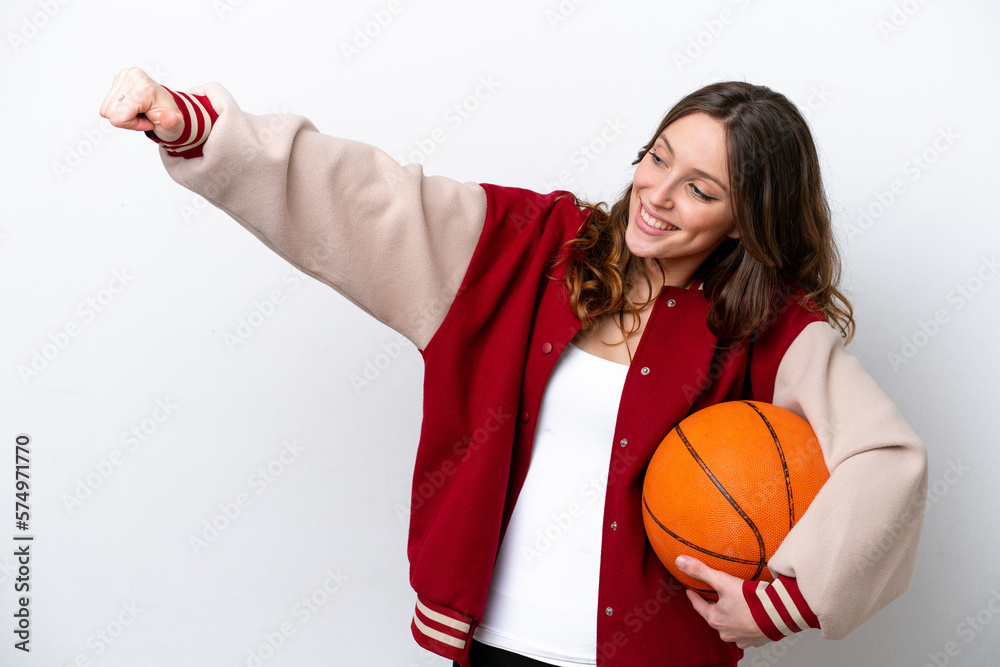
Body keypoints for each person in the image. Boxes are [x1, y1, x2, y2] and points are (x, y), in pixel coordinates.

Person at [100, 68, 928, 667]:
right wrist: (195, 125)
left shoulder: (771, 331)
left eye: (701, 188)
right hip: (494, 645)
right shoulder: (529, 249)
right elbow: (367, 196)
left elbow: (886, 460)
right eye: (658, 156)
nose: (658, 192)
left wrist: (780, 598)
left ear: (748, 220)